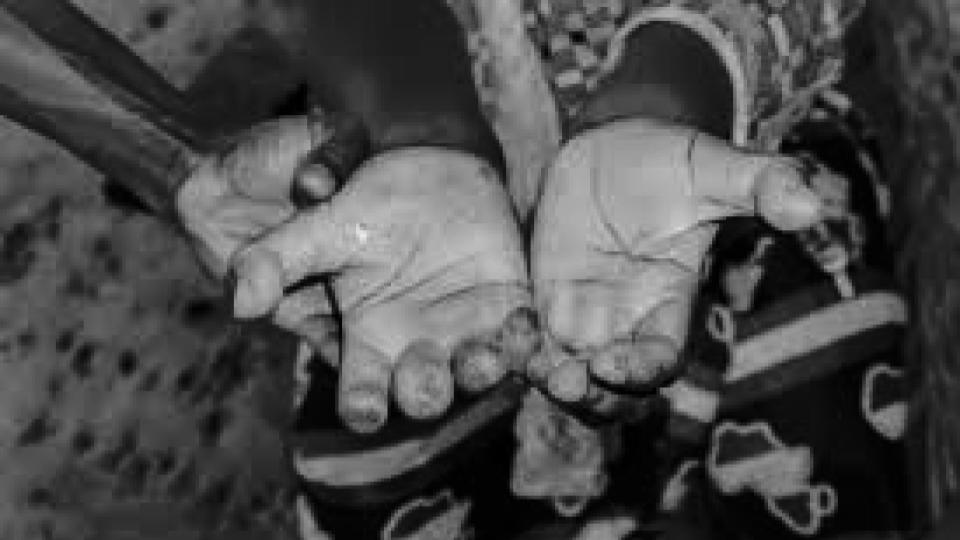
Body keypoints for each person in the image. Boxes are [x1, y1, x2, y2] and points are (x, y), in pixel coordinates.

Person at [173, 0, 831, 536]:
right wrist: (419, 127)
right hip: (417, 248)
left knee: (817, 425)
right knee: (366, 471)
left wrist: (668, 97)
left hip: (704, 195)